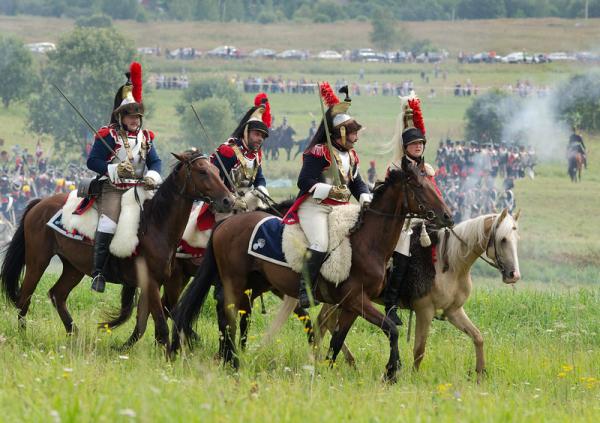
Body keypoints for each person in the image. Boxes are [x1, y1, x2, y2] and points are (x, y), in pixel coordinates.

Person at [283, 84, 372, 308]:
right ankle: (305, 289)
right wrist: (330, 190)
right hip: (315, 206)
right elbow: (304, 182)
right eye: (353, 133)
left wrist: (365, 198)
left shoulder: (351, 156)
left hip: (341, 208)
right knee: (320, 243)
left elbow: (357, 183)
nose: (356, 138)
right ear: (340, 132)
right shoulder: (319, 152)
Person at [86, 62, 162, 293]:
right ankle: (98, 272)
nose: (134, 121)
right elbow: (92, 161)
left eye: (137, 117)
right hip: (114, 188)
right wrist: (115, 169)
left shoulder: (146, 137)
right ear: (121, 116)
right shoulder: (109, 135)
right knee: (108, 223)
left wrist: (152, 176)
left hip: (140, 187)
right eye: (130, 116)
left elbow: (155, 162)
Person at [381, 92, 441, 326]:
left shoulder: (427, 169)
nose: (417, 147)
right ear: (405, 146)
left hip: (425, 221)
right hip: (403, 222)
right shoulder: (395, 167)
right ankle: (391, 304)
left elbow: (435, 196)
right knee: (404, 254)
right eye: (413, 144)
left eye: (420, 143)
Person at [210, 93, 272, 220]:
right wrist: (231, 199)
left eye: (262, 136)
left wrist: (262, 188)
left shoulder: (255, 156)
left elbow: (259, 178)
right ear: (246, 132)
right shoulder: (228, 151)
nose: (260, 139)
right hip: (223, 204)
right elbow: (213, 181)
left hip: (245, 202)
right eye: (257, 134)